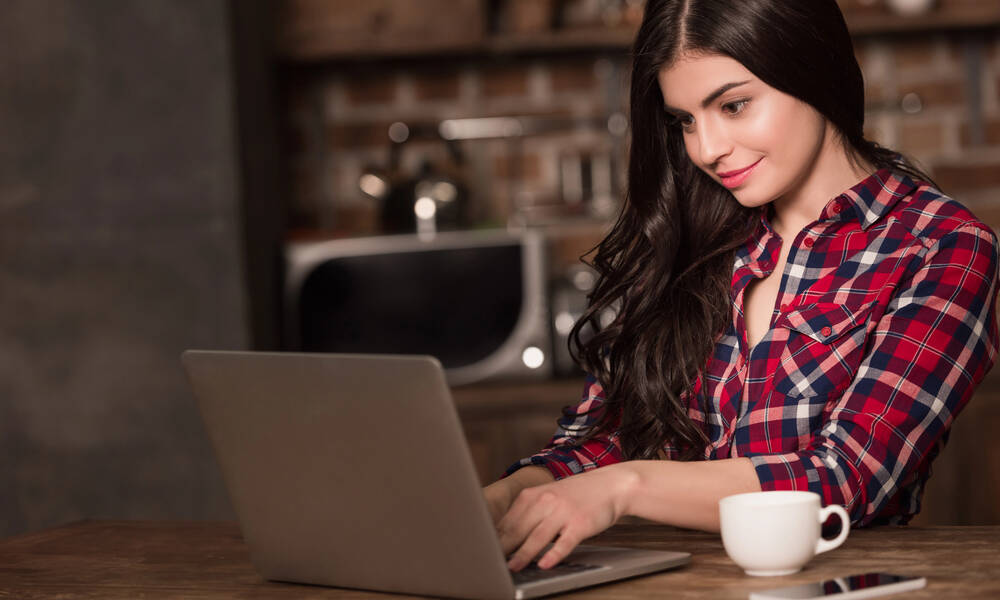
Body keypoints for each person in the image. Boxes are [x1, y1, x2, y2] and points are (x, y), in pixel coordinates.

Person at [483, 0, 1000, 573]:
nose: (706, 150)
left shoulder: (941, 246)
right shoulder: (693, 236)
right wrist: (508, 497)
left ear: (811, 70)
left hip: (832, 583)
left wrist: (624, 488)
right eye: (684, 120)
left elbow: (846, 477)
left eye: (733, 105)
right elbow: (610, 434)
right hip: (677, 583)